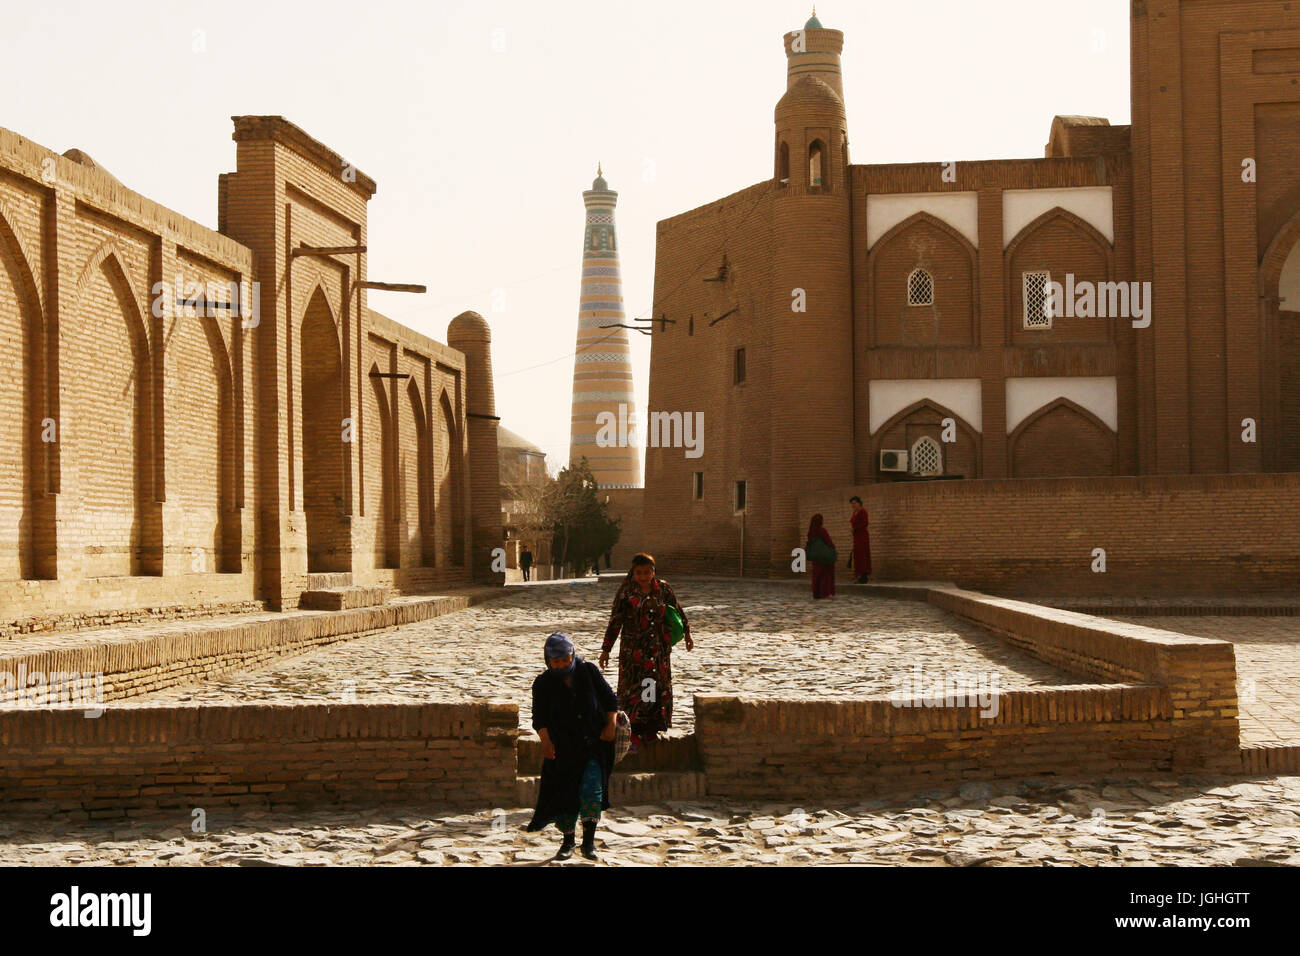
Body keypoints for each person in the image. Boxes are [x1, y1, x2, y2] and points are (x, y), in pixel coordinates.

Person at [526, 632, 617, 860]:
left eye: (566, 659)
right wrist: (545, 742)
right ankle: (568, 842)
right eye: (556, 662)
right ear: (548, 661)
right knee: (566, 795)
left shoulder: (588, 672)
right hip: (563, 750)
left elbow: (609, 699)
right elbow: (540, 718)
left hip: (592, 746)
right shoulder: (543, 683)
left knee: (591, 791)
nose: (562, 665)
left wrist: (611, 725)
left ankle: (588, 843)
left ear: (572, 655)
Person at [599, 553, 693, 754]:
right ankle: (633, 731)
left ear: (653, 572)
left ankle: (650, 728)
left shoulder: (663, 589)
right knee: (633, 690)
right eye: (639, 572)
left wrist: (687, 633)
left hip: (657, 652)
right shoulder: (626, 592)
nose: (643, 576)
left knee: (652, 687)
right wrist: (606, 649)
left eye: (647, 572)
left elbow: (677, 611)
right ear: (633, 572)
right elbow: (616, 620)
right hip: (633, 653)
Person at [807, 513, 836, 599]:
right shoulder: (822, 530)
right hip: (824, 557)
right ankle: (826, 593)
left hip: (816, 557)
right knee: (826, 575)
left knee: (817, 575)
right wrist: (832, 550)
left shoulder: (811, 531)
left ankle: (817, 593)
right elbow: (829, 542)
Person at [849, 496, 871, 584]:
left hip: (862, 536)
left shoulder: (863, 512)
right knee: (857, 555)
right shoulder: (855, 512)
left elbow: (865, 523)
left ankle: (864, 576)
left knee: (863, 555)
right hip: (856, 537)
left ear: (859, 503)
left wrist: (856, 528)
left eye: (854, 503)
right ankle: (859, 574)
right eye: (852, 504)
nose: (853, 505)